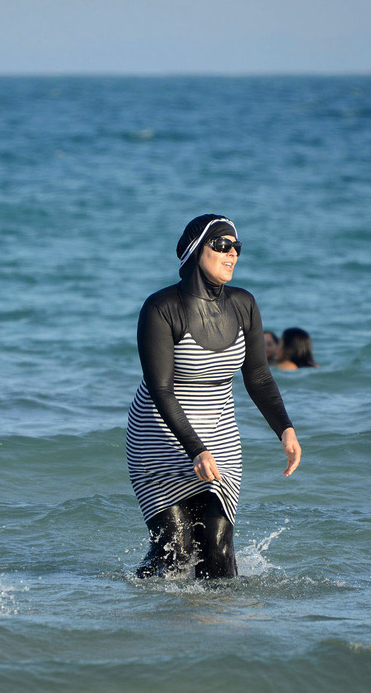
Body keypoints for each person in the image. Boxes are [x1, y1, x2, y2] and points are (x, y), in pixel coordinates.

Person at [127, 214, 301, 579]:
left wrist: (285, 430)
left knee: (218, 550)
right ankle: (140, 604)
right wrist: (195, 449)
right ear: (195, 250)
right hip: (159, 438)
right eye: (222, 244)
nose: (232, 253)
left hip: (220, 437)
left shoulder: (244, 304)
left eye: (237, 246)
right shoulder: (161, 308)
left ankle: (218, 617)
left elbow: (258, 377)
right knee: (175, 551)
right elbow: (160, 389)